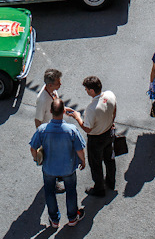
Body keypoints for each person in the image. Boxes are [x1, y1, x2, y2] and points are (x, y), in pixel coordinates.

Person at [30, 99, 86, 228]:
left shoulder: (42, 130)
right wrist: (83, 160)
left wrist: (36, 159)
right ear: (63, 112)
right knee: (71, 192)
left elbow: (33, 148)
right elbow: (79, 149)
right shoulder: (71, 130)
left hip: (49, 168)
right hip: (68, 168)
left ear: (50, 111)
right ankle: (72, 218)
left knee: (49, 192)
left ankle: (54, 220)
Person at [65, 76, 117, 197]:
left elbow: (87, 128)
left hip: (96, 139)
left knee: (95, 164)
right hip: (109, 132)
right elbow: (114, 110)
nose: (86, 91)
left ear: (92, 91)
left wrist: (77, 117)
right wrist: (110, 122)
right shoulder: (110, 95)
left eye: (87, 89)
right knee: (110, 159)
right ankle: (111, 181)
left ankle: (99, 189)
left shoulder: (91, 109)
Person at [34, 69, 67, 192]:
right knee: (50, 161)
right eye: (58, 82)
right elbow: (38, 120)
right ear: (49, 84)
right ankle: (52, 185)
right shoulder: (43, 100)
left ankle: (58, 175)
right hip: (49, 135)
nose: (60, 84)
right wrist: (42, 139)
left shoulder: (52, 92)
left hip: (56, 131)